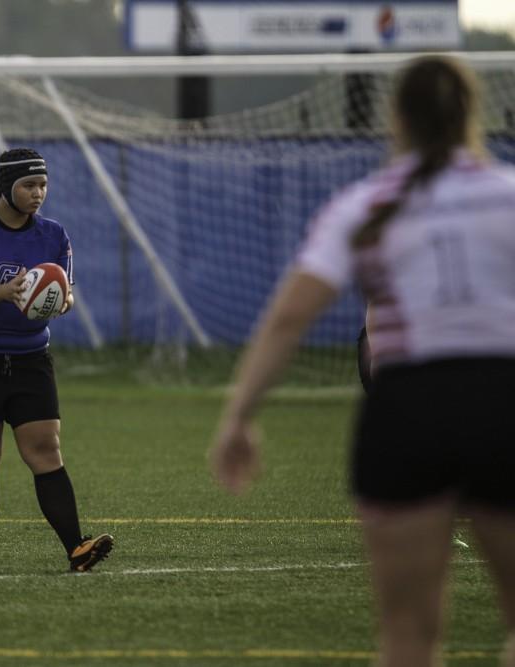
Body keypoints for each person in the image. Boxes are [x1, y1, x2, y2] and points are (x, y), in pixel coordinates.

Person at [209, 55, 515, 667]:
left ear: (395, 118)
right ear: (471, 113)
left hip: (406, 413)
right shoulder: (506, 194)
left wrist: (239, 416)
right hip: (502, 404)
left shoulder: (365, 205)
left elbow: (290, 319)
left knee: (406, 636)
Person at [0, 147, 113, 573]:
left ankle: (78, 548)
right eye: (29, 185)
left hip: (30, 360)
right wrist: (7, 291)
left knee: (45, 449)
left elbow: (67, 295)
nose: (39, 193)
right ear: (5, 187)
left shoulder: (54, 235)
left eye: (43, 185)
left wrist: (56, 300)